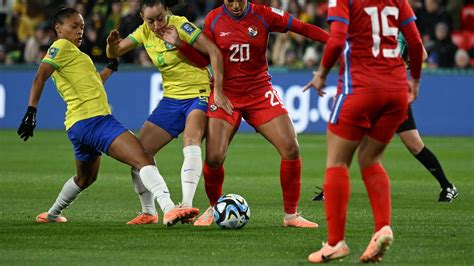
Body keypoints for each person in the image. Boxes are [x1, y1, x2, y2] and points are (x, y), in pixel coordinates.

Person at [17, 7, 199, 227]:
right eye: (74, 26)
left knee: (85, 178)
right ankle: (168, 209)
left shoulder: (76, 55)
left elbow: (94, 83)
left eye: (82, 27)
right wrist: (31, 111)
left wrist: (110, 68)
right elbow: (39, 77)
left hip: (77, 126)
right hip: (95, 121)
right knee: (144, 157)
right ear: (58, 28)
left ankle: (52, 214)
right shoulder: (60, 46)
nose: (80, 31)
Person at [187, 0, 329, 228]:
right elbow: (204, 58)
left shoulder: (264, 15)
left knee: (291, 148)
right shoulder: (213, 19)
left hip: (259, 91)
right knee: (214, 157)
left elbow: (301, 28)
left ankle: (291, 216)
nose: (234, 5)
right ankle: (214, 208)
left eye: (239, 0)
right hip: (226, 94)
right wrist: (180, 45)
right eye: (229, 1)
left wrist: (335, 41)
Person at [303, 0, 424, 263]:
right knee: (370, 158)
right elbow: (415, 42)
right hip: (395, 91)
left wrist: (321, 74)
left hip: (359, 89)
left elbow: (336, 41)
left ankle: (335, 243)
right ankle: (382, 227)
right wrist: (414, 79)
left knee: (336, 162)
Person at [106, 0, 224, 225]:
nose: (157, 24)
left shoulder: (182, 26)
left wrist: (217, 89)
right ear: (142, 17)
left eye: (160, 18)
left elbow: (212, 51)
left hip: (197, 94)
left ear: (167, 12)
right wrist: (111, 45)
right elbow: (116, 51)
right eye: (150, 20)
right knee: (139, 155)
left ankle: (186, 205)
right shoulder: (144, 32)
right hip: (171, 101)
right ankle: (148, 212)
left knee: (191, 141)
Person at [312, 32, 459, 203]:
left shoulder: (400, 26)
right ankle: (331, 189)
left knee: (414, 144)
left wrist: (402, 65)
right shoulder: (367, 24)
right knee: (352, 140)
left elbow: (422, 53)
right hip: (368, 89)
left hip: (393, 91)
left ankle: (447, 186)